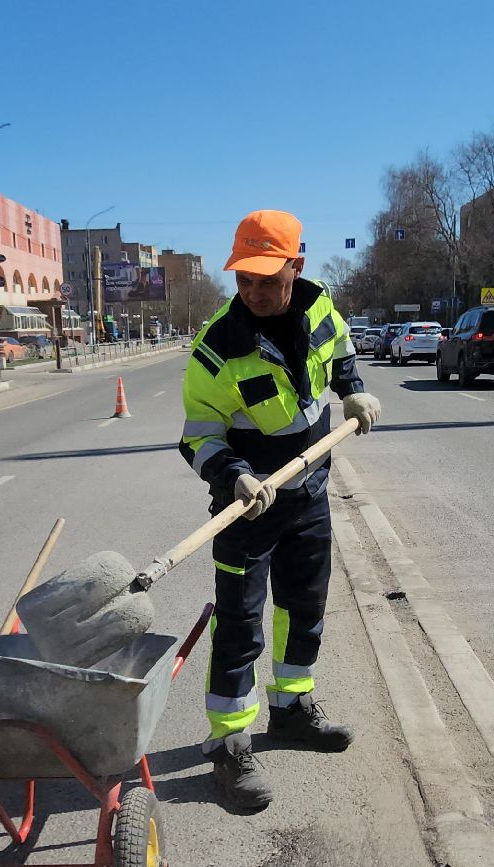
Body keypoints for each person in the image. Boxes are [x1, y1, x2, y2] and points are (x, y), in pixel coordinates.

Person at [178, 209, 382, 812]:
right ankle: (229, 746)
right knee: (240, 623)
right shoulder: (217, 349)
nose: (256, 292)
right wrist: (235, 476)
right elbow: (198, 436)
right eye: (244, 280)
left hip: (309, 493)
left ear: (298, 265)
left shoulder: (319, 308)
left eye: (269, 279)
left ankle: (291, 709)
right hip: (247, 508)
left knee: (303, 605)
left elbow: (340, 351)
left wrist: (353, 390)